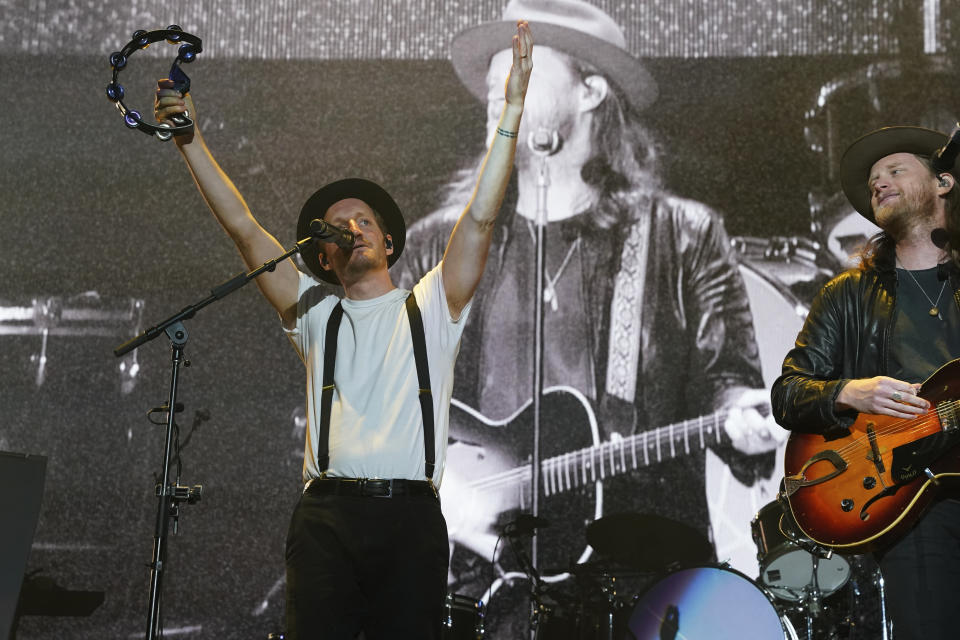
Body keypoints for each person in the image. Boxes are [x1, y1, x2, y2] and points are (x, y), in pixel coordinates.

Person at [396, 0, 784, 611]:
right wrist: (448, 510)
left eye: (523, 67)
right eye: (496, 73)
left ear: (592, 90)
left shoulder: (681, 235)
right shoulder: (438, 245)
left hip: (639, 574)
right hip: (475, 586)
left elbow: (728, 383)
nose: (500, 86)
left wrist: (747, 418)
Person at [154, 21, 534, 640]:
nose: (351, 227)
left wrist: (512, 110)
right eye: (337, 226)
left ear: (388, 240)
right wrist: (189, 142)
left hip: (410, 518)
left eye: (362, 219)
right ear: (323, 255)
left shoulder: (431, 304)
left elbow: (482, 217)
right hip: (326, 518)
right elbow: (246, 232)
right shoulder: (315, 313)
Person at [771, 125, 960, 640]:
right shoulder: (846, 295)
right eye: (874, 179)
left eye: (895, 170)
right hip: (918, 502)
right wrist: (848, 392)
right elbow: (787, 394)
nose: (879, 182)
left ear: (944, 183)